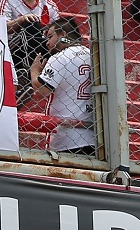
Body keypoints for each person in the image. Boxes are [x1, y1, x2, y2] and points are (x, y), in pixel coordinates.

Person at [29, 18, 95, 157]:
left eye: (50, 36)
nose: (47, 42)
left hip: (67, 138)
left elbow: (42, 90)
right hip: (92, 134)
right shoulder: (91, 55)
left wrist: (34, 71)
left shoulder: (60, 57)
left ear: (63, 34)